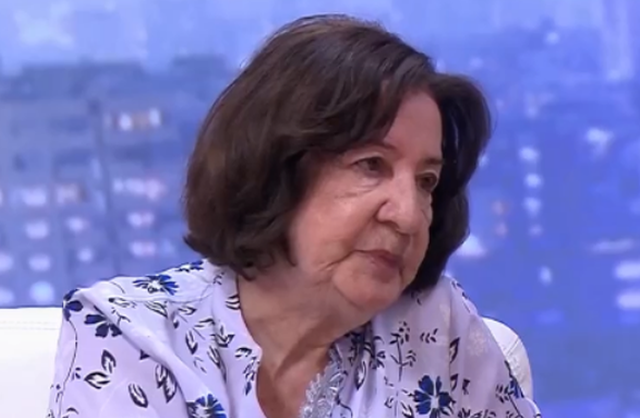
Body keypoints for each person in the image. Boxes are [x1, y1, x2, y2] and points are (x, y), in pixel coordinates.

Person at [47, 14, 541, 418]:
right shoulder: (131, 339)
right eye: (371, 165)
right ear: (275, 168)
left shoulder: (435, 324)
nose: (409, 216)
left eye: (426, 182)